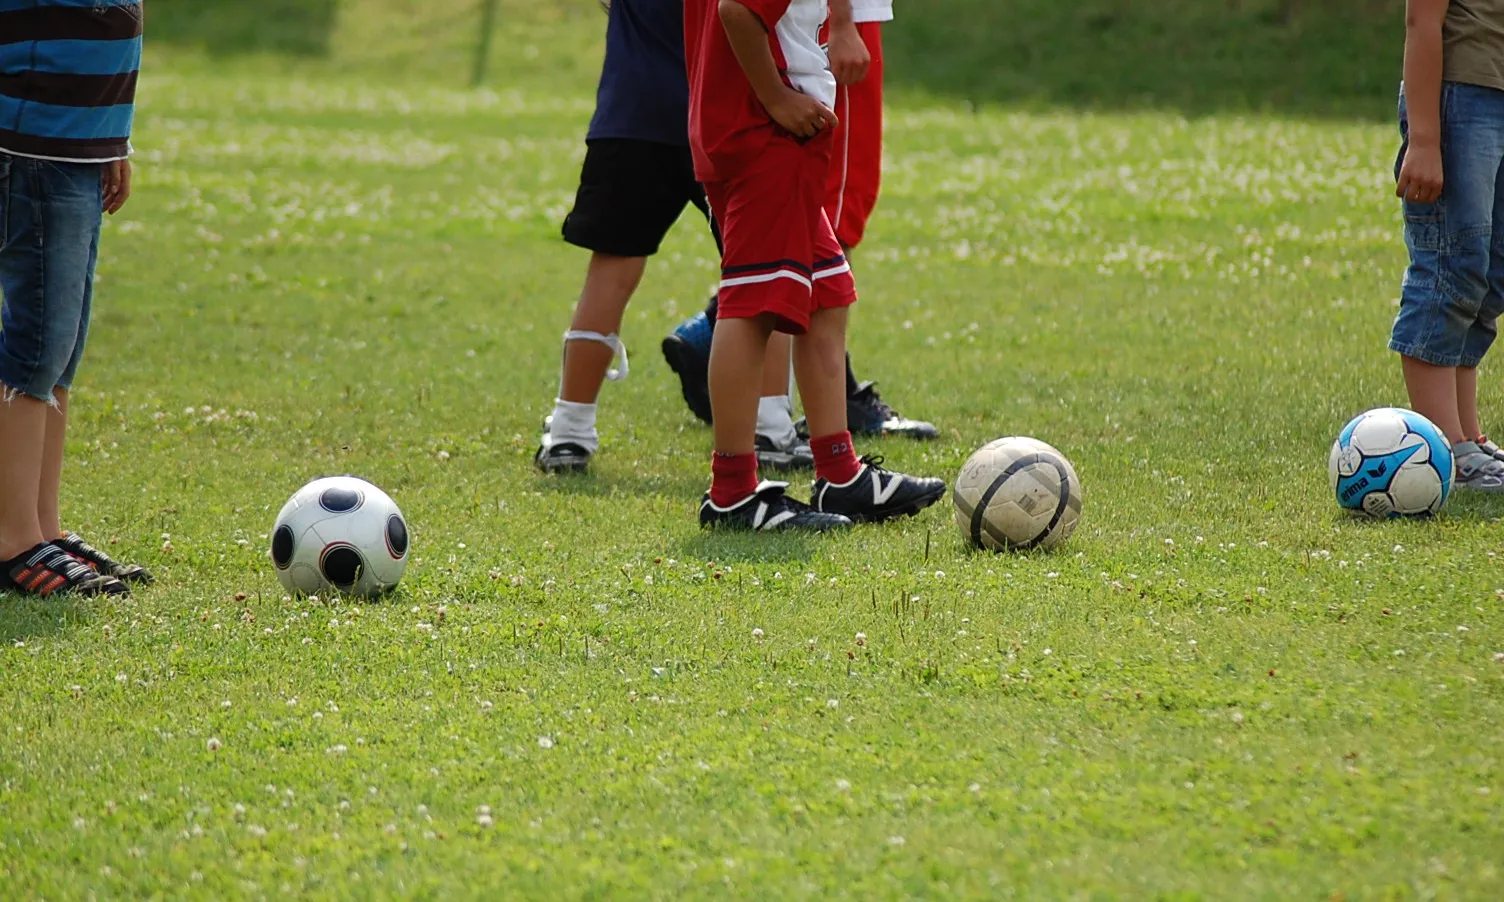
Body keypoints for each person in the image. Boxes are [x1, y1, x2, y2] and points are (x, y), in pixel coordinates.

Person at [687, 0, 946, 531]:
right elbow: (739, 11)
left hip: (777, 131)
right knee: (752, 306)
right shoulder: (770, 113)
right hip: (764, 133)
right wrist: (777, 97)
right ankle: (732, 492)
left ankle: (840, 475)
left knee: (828, 297)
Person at [534, 0, 813, 475]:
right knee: (765, 279)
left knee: (612, 271)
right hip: (725, 118)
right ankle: (769, 427)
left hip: (633, 116)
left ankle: (569, 431)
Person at [0, 0, 151, 597]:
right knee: (37, 347)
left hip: (78, 149)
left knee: (61, 347)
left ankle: (42, 525)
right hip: (34, 145)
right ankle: (13, 540)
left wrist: (112, 137)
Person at [1391, 0, 1504, 490]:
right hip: (1459, 102)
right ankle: (1443, 448)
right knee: (1450, 267)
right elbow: (1423, 20)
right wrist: (1424, 139)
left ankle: (1468, 436)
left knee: (1490, 277)